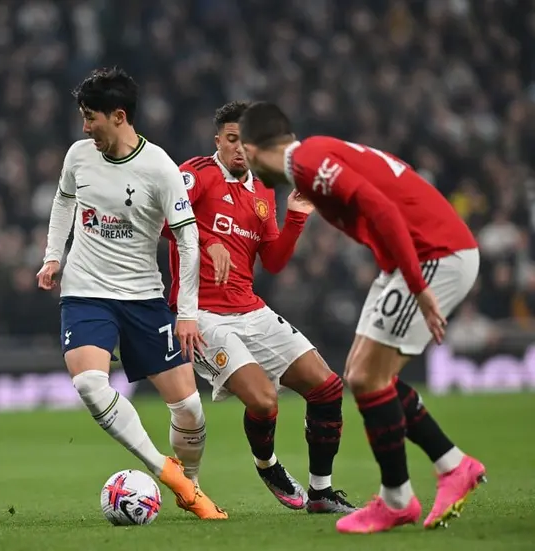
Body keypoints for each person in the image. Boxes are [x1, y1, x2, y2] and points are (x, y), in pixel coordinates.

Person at [238, 101, 486, 534]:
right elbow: (394, 180)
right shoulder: (315, 159)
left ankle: (397, 498)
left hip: (434, 255)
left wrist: (417, 285)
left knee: (370, 378)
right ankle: (453, 465)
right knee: (362, 374)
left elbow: (384, 210)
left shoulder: (310, 161)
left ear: (254, 149)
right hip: (411, 260)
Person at [36, 67, 227, 520]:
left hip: (143, 297)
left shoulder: (160, 169)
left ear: (118, 116)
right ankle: (167, 471)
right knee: (88, 382)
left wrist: (186, 314)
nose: (85, 128)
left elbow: (187, 239)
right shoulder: (79, 156)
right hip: (85, 292)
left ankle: (191, 483)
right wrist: (53, 256)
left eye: (91, 118)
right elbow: (64, 200)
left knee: (190, 410)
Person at [163, 101, 356, 514]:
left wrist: (297, 220)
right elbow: (164, 219)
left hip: (251, 309)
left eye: (246, 142)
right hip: (203, 316)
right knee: (265, 401)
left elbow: (273, 261)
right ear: (218, 141)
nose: (239, 149)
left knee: (327, 389)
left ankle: (321, 493)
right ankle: (267, 464)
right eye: (231, 140)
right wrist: (207, 241)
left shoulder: (265, 190)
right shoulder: (195, 174)